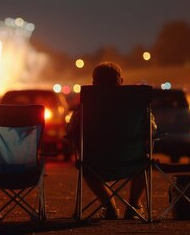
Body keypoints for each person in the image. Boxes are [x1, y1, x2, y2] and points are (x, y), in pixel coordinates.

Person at [65, 62, 156, 220]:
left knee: (84, 165)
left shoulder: (87, 103)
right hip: (132, 161)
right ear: (120, 81)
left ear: (94, 83)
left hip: (96, 163)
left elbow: (71, 129)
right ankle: (134, 205)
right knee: (146, 160)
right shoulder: (136, 101)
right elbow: (152, 129)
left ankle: (110, 205)